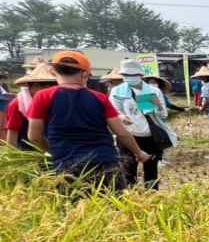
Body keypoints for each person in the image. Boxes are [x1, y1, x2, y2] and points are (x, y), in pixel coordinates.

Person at [27, 51, 151, 190]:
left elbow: (34, 137)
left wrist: (54, 151)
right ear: (85, 74)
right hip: (104, 162)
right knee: (114, 206)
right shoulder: (100, 97)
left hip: (67, 166)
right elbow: (122, 132)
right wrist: (139, 152)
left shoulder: (42, 97)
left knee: (74, 209)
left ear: (53, 71)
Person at [109, 59, 176, 189]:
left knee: (151, 171)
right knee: (128, 170)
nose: (130, 78)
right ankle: (130, 198)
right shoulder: (117, 91)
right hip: (128, 136)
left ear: (140, 75)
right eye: (127, 75)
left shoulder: (153, 91)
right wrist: (121, 116)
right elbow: (113, 111)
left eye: (134, 75)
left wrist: (156, 108)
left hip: (150, 136)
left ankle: (152, 198)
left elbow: (164, 115)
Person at [4, 62, 57, 149]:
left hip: (55, 150)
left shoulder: (57, 101)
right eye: (41, 86)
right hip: (28, 152)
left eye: (51, 86)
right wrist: (13, 155)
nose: (47, 90)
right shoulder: (17, 104)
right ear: (31, 86)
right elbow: (13, 132)